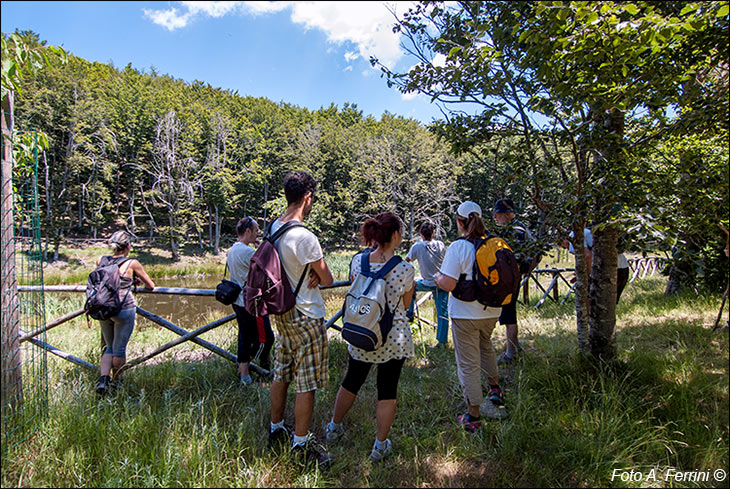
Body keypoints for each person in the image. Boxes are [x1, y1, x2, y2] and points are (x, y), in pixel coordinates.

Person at [325, 212, 416, 462]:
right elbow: (405, 306)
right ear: (395, 234)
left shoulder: (358, 262)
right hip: (392, 337)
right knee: (387, 389)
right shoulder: (405, 269)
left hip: (362, 330)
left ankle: (333, 427)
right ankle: (380, 445)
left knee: (352, 380)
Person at [266, 171, 335, 468]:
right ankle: (301, 445)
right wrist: (316, 276)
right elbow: (328, 278)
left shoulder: (272, 227)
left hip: (281, 313)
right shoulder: (305, 237)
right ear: (307, 197)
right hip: (306, 315)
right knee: (306, 383)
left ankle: (276, 429)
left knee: (281, 372)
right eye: (313, 199)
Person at [434, 201, 508, 431]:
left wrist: (437, 278)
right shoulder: (495, 243)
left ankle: (473, 417)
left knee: (468, 365)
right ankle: (494, 389)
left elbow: (448, 283)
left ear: (459, 222)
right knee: (485, 347)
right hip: (492, 310)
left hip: (465, 314)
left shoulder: (458, 247)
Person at [95, 230, 155, 395]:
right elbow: (150, 285)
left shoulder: (101, 260)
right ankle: (116, 382)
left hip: (103, 309)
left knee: (109, 347)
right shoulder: (132, 263)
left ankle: (103, 380)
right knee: (119, 349)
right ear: (128, 245)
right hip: (123, 308)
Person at [227, 216, 274, 386]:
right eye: (255, 231)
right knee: (266, 339)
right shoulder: (248, 252)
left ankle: (245, 375)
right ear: (247, 231)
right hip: (253, 303)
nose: (258, 234)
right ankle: (245, 367)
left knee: (245, 337)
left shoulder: (232, 250)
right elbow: (268, 268)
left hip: (238, 301)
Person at [491, 198, 536, 365]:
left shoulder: (514, 231)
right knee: (508, 312)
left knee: (509, 314)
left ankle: (510, 354)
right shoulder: (521, 228)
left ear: (507, 215)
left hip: (509, 278)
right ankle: (515, 347)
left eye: (497, 214)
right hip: (513, 277)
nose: (495, 218)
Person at [405, 222, 449, 348]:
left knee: (410, 286)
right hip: (440, 282)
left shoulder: (417, 247)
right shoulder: (440, 245)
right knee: (443, 312)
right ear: (433, 233)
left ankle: (409, 310)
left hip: (425, 282)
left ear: (420, 234)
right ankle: (442, 341)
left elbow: (406, 262)